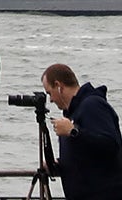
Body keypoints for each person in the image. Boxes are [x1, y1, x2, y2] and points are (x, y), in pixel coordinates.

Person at [45, 63, 122, 200]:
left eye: (50, 93)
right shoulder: (73, 114)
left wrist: (73, 132)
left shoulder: (92, 105)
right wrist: (61, 164)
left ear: (59, 86)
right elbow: (87, 153)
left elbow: (111, 145)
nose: (50, 100)